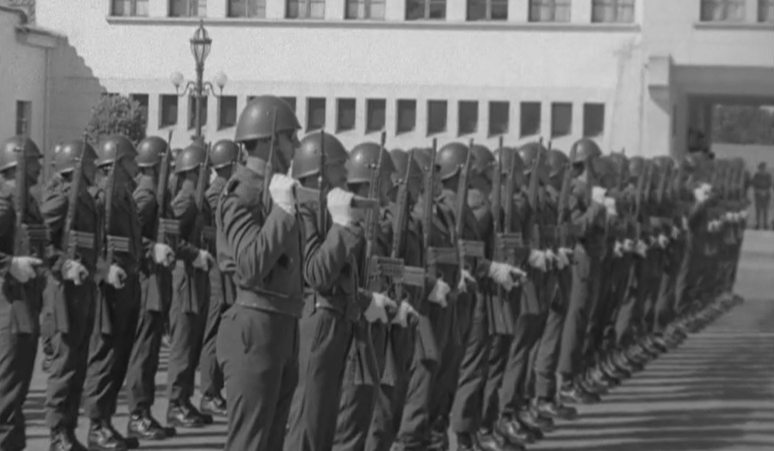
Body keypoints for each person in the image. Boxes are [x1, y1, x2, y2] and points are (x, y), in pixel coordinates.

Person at [216, 95, 305, 451]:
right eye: (289, 137)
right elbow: (250, 266)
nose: (296, 146)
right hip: (254, 328)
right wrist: (282, 212)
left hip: (283, 326)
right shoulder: (242, 194)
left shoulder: (276, 190)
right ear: (269, 140)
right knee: (249, 443)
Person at [82, 135, 144, 451]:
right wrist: (105, 269)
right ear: (118, 163)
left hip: (127, 286)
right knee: (104, 357)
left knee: (119, 357)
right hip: (108, 289)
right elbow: (86, 245)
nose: (136, 165)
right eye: (131, 160)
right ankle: (96, 426)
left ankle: (106, 421)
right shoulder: (100, 198)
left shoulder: (124, 196)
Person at [42, 138, 100, 451]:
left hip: (82, 293)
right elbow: (38, 240)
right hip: (63, 294)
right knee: (63, 367)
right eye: (89, 163)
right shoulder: (62, 199)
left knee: (77, 366)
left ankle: (68, 430)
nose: (94, 168)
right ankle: (56, 434)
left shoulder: (84, 197)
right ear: (76, 167)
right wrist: (63, 264)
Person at [125, 135, 177, 442]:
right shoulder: (146, 197)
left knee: (151, 352)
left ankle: (143, 411)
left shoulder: (157, 195)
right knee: (143, 353)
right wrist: (151, 249)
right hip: (147, 285)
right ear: (156, 166)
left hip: (157, 283)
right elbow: (128, 237)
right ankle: (137, 414)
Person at [0, 135, 45, 451]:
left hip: (26, 305)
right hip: (9, 310)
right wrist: (9, 263)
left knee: (16, 391)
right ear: (17, 166)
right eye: (32, 162)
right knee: (7, 393)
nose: (38, 167)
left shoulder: (28, 205)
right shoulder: (4, 206)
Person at [166, 143, 215, 429]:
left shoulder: (199, 200)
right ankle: (175, 404)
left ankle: (184, 400)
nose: (209, 175)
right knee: (183, 345)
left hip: (198, 280)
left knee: (193, 343)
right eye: (204, 170)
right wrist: (193, 254)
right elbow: (170, 238)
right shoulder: (185, 201)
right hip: (186, 281)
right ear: (193, 172)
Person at [199, 139, 240, 418]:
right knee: (214, 331)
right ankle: (209, 392)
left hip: (224, 270)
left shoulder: (224, 191)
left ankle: (215, 390)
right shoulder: (216, 194)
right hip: (217, 271)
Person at [752, 162, 771, 230]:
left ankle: (765, 224)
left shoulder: (768, 176)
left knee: (765, 210)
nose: (763, 169)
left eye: (764, 168)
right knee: (758, 210)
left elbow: (770, 185)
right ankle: (757, 224)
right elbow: (754, 186)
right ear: (759, 168)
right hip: (758, 195)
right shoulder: (756, 176)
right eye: (761, 168)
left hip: (766, 195)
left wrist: (765, 192)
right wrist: (760, 192)